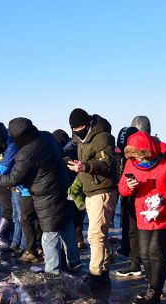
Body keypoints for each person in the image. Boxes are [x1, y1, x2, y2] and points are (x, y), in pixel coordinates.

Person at [0, 117, 80, 275]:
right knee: (66, 224)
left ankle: (53, 270)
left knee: (49, 233)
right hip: (62, 186)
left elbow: (13, 178)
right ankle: (74, 262)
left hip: (45, 195)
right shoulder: (46, 136)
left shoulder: (26, 152)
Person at [118, 132, 166, 304]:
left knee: (156, 251)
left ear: (148, 151)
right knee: (144, 254)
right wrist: (129, 186)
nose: (138, 161)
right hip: (144, 213)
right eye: (134, 158)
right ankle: (153, 286)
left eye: (140, 156)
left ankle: (154, 293)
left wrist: (163, 198)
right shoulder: (131, 163)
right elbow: (122, 189)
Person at [68, 108, 118, 290]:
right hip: (91, 191)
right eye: (74, 128)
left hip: (102, 190)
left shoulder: (102, 137)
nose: (77, 130)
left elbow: (107, 162)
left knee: (95, 235)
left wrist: (86, 166)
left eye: (80, 126)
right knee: (99, 235)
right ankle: (102, 272)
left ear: (88, 123)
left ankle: (96, 273)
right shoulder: (80, 141)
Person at [115, 125, 143, 277]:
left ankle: (139, 260)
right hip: (128, 195)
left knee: (140, 231)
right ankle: (135, 260)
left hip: (144, 198)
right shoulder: (125, 159)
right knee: (130, 228)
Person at [54, 129, 86, 250]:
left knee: (72, 215)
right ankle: (79, 239)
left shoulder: (64, 151)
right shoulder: (77, 148)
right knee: (79, 213)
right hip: (79, 185)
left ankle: (73, 241)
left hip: (70, 186)